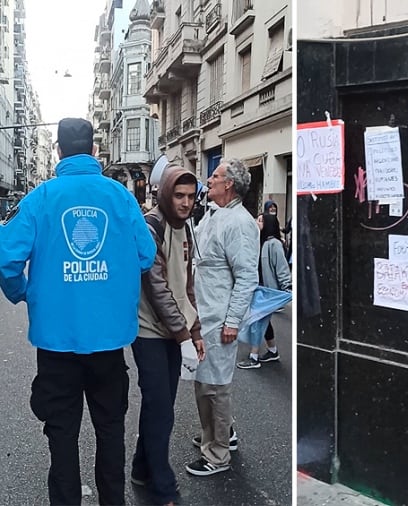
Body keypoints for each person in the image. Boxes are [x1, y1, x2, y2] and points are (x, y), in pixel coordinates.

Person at [0, 118, 156, 505]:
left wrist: (25, 294)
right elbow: (146, 254)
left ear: (57, 151)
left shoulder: (40, 198)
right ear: (95, 150)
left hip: (57, 344)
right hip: (108, 342)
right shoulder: (120, 197)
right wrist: (110, 281)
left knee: (62, 435)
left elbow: (6, 258)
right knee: (110, 431)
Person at [131, 165, 206, 505]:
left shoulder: (185, 227)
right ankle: (162, 484)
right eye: (179, 195)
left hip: (175, 333)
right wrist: (184, 336)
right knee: (161, 408)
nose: (186, 202)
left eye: (191, 196)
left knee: (159, 405)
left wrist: (196, 329)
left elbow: (186, 285)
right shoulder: (151, 226)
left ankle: (141, 467)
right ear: (165, 194)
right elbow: (157, 287)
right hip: (149, 332)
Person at [188, 158, 259, 477]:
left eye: (215, 176)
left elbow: (247, 277)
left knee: (213, 387)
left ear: (229, 184)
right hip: (206, 315)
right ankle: (220, 434)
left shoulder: (240, 223)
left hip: (219, 319)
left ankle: (216, 455)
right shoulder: (216, 215)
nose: (209, 179)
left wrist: (232, 321)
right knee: (205, 382)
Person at [237, 214, 292, 369]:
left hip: (267, 291)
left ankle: (253, 357)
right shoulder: (258, 241)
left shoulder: (274, 244)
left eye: (260, 221)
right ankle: (273, 351)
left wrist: (286, 286)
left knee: (256, 320)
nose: (257, 222)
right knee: (263, 321)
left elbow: (281, 267)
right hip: (258, 288)